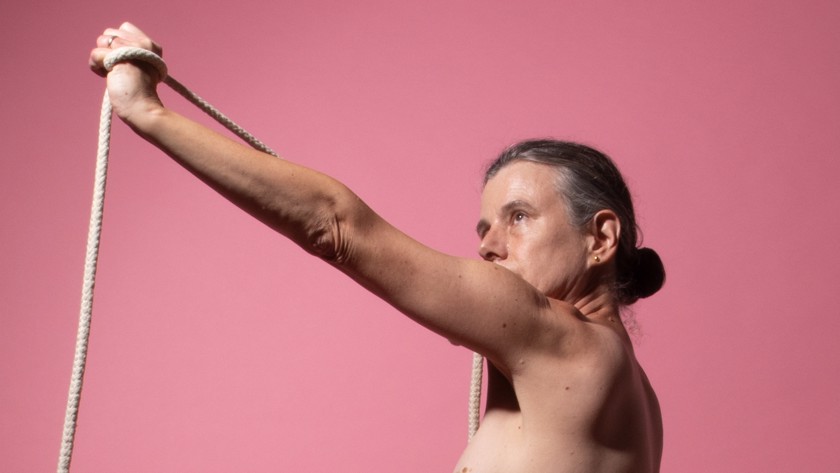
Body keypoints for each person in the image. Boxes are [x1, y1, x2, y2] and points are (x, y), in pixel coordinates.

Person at [90, 22, 665, 473]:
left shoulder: (561, 341)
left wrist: (147, 111)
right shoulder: (633, 395)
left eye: (519, 218)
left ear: (600, 238)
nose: (490, 246)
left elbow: (335, 226)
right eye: (483, 228)